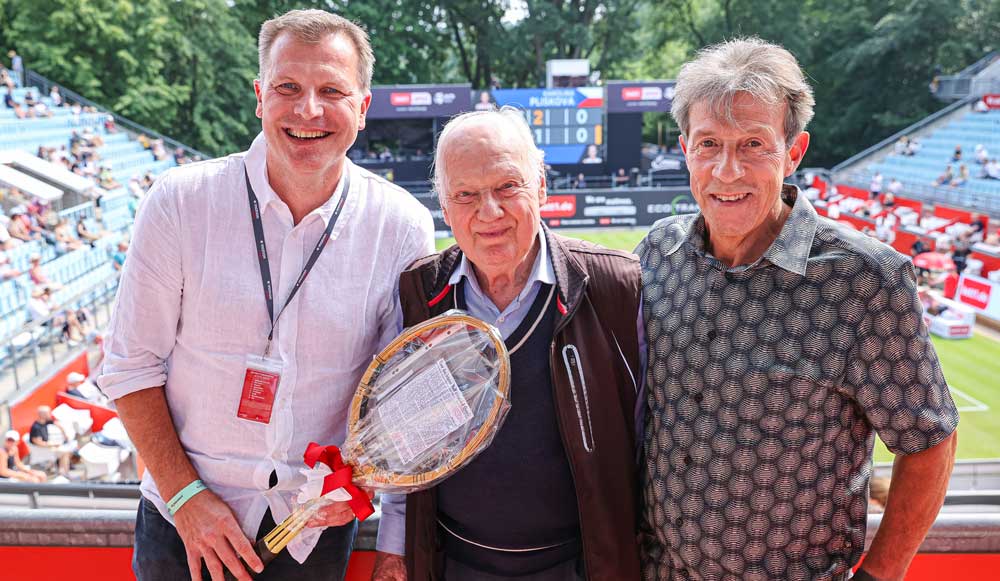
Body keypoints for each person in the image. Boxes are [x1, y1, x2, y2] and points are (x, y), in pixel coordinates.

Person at [97, 9, 435, 581]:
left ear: (362, 108)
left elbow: (397, 394)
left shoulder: (401, 226)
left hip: (313, 535)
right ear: (259, 96)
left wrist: (363, 479)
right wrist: (185, 500)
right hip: (182, 525)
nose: (308, 110)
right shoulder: (180, 203)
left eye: (331, 90)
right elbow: (130, 368)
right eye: (288, 87)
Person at [635, 38, 958, 581]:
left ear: (794, 151)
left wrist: (881, 575)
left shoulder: (863, 282)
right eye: (709, 143)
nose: (727, 170)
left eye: (754, 145)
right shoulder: (658, 254)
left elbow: (930, 441)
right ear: (685, 147)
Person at [372, 108, 642, 581]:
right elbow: (401, 444)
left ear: (541, 186)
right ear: (444, 204)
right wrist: (394, 548)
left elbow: (647, 441)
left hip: (579, 566)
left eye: (506, 187)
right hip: (454, 564)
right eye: (466, 195)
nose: (489, 212)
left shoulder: (615, 287)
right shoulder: (418, 295)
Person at [29, 406, 76, 478]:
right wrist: (53, 445)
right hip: (42, 450)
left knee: (66, 451)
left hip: (48, 447)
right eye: (48, 413)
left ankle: (62, 472)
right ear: (42, 415)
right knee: (65, 452)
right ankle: (64, 473)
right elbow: (38, 442)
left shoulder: (45, 422)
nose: (50, 415)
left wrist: (65, 434)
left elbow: (57, 424)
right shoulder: (36, 427)